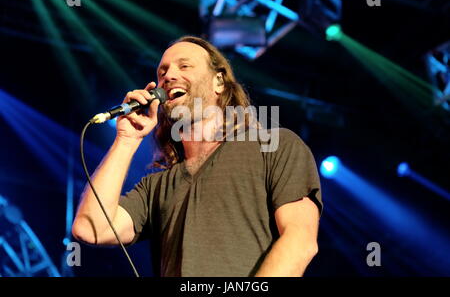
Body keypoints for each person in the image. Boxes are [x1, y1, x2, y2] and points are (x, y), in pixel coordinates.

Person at [72, 36, 323, 277]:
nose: (169, 76)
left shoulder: (273, 146)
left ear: (219, 82)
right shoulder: (156, 186)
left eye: (185, 66)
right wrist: (126, 141)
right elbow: (89, 228)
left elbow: (300, 240)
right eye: (162, 72)